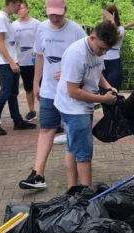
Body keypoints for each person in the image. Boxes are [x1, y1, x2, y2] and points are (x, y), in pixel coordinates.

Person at [19, 0, 87, 190]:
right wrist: (36, 83)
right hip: (49, 90)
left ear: (65, 10)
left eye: (59, 13)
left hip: (71, 91)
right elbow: (39, 56)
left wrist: (73, 76)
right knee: (46, 129)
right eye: (51, 14)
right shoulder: (41, 28)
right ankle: (38, 174)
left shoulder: (76, 31)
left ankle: (78, 179)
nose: (55, 17)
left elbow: (88, 59)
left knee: (72, 132)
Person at [54, 20, 119, 188]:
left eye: (106, 50)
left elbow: (97, 72)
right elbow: (73, 91)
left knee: (72, 147)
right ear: (92, 37)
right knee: (84, 154)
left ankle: (72, 191)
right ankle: (86, 197)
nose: (103, 53)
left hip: (82, 106)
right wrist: (103, 99)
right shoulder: (77, 54)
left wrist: (108, 86)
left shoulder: (97, 52)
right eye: (101, 49)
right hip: (74, 108)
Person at [0, 0, 36, 135]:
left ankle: (17, 121)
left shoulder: (5, 19)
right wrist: (11, 61)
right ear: (12, 3)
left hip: (11, 61)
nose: (19, 8)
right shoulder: (0, 19)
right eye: (18, 5)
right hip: (5, 63)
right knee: (5, 93)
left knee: (13, 94)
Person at [12, 1, 40, 121]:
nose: (19, 10)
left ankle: (45, 110)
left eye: (21, 8)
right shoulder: (13, 25)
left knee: (41, 86)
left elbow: (41, 40)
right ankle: (31, 111)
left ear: (27, 9)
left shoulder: (37, 24)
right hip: (23, 61)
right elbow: (11, 44)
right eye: (17, 8)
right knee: (28, 88)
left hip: (37, 61)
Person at [101, 4, 125, 116]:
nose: (103, 18)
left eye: (105, 15)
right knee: (102, 95)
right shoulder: (102, 29)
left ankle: (114, 120)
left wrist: (112, 22)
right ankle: (108, 119)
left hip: (114, 64)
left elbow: (115, 39)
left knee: (112, 93)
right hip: (102, 63)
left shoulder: (120, 29)